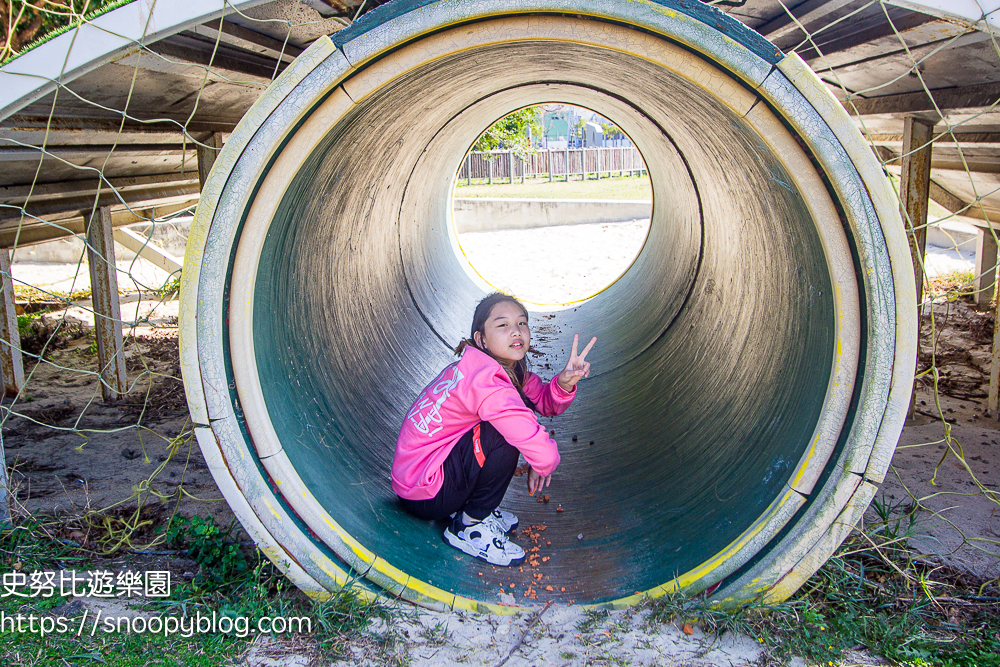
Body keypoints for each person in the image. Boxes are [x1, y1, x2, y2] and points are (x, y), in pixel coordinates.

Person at [392, 292, 596, 566]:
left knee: (509, 420)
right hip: (426, 491)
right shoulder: (487, 383)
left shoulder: (497, 369)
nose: (516, 331)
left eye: (522, 323)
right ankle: (469, 526)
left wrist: (566, 382)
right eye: (503, 325)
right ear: (481, 339)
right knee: (502, 433)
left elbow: (544, 402)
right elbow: (538, 447)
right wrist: (541, 462)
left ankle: (472, 507)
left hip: (421, 477)